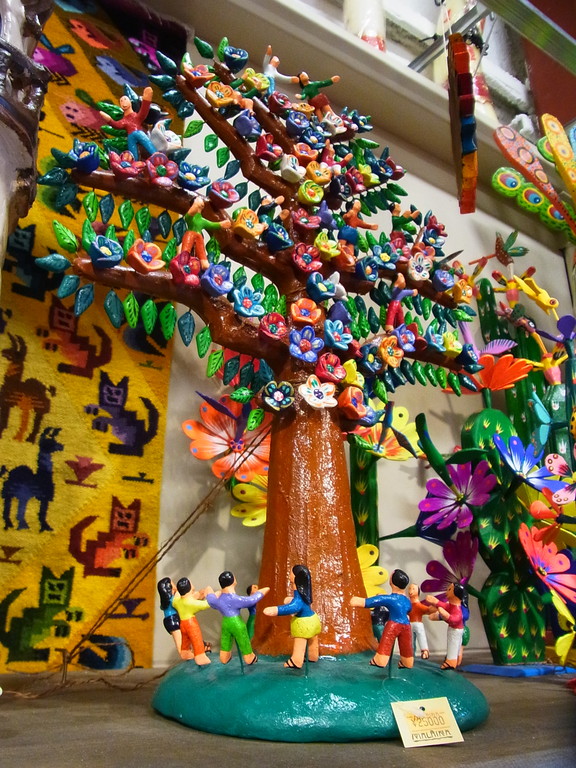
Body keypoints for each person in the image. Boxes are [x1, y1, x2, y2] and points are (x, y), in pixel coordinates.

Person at [350, 568, 414, 669]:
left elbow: (377, 600)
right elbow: (409, 609)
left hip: (394, 624)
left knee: (386, 642)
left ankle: (380, 661)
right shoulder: (407, 600)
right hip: (406, 625)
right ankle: (407, 662)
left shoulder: (391, 598)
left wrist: (361, 601)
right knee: (406, 645)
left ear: (392, 582)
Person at [263, 564, 322, 669]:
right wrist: (290, 600)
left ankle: (296, 660)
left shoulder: (299, 596)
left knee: (300, 642)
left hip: (304, 624)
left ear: (296, 577)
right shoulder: (306, 593)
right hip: (313, 619)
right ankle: (312, 655)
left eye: (291, 572)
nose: (289, 574)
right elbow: (303, 604)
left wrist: (277, 610)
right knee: (312, 640)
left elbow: (296, 606)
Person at [206, 571, 269, 665]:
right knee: (243, 638)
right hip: (237, 623)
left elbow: (210, 599)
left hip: (225, 623)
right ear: (233, 581)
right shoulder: (235, 599)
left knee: (225, 640)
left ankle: (224, 656)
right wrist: (262, 591)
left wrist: (211, 591)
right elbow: (251, 600)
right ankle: (249, 656)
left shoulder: (218, 600)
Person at [99, 86, 157, 159]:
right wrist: (109, 120)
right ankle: (134, 162)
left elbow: (143, 113)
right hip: (131, 136)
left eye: (125, 99)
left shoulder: (135, 116)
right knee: (132, 152)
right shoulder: (124, 120)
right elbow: (116, 125)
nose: (123, 102)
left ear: (130, 102)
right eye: (121, 101)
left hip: (139, 132)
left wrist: (146, 100)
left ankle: (156, 155)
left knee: (147, 143)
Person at [426, 582, 469, 669]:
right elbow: (445, 605)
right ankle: (454, 659)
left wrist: (446, 616)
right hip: (456, 629)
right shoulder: (452, 605)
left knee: (453, 645)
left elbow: (456, 619)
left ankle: (450, 662)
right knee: (455, 645)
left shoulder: (457, 608)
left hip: (455, 630)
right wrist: (436, 601)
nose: (446, 592)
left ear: (456, 593)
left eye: (449, 590)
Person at [172, 577, 211, 665]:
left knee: (185, 640)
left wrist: (178, 591)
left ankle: (185, 652)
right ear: (189, 587)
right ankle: (200, 656)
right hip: (191, 624)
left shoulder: (177, 602)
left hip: (182, 624)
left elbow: (175, 599)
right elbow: (206, 604)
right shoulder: (191, 603)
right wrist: (210, 594)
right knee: (196, 639)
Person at [157, 577, 181, 656]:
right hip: (173, 620)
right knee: (180, 642)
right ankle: (184, 654)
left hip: (168, 620)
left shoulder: (164, 602)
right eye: (173, 584)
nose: (174, 586)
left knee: (180, 640)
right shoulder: (173, 598)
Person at [408, 583, 432, 660]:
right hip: (410, 624)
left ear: (418, 592)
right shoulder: (408, 605)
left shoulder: (418, 605)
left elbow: (427, 610)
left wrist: (432, 608)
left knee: (421, 636)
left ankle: (425, 651)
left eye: (413, 589)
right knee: (410, 640)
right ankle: (410, 654)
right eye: (410, 589)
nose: (410, 591)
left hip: (418, 624)